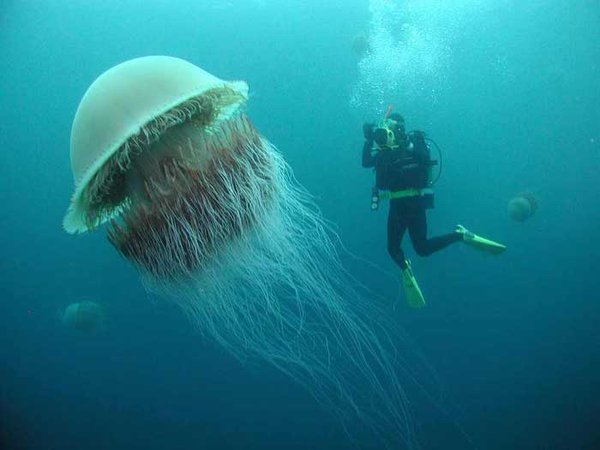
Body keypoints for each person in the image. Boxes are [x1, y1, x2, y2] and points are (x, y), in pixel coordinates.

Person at [362, 112, 506, 308]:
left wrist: (403, 144)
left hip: (412, 205)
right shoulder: (384, 151)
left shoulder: (413, 142)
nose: (390, 133)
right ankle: (407, 266)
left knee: (418, 249)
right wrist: (369, 139)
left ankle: (460, 236)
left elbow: (422, 159)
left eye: (394, 129)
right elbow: (365, 163)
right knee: (404, 248)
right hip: (400, 205)